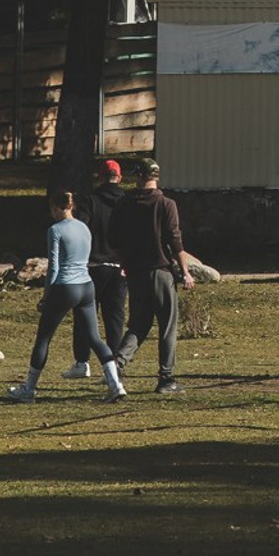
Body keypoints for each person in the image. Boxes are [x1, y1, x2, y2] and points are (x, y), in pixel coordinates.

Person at [7, 191, 128, 401]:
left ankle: (29, 389)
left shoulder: (55, 230)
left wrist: (47, 295)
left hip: (66, 286)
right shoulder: (83, 227)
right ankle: (115, 384)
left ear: (56, 208)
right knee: (95, 337)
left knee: (44, 337)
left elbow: (54, 266)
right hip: (86, 285)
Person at [110, 153, 193, 396]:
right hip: (160, 271)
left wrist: (124, 261)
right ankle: (166, 378)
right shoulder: (166, 204)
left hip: (135, 272)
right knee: (167, 325)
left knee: (138, 324)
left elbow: (113, 238)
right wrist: (185, 271)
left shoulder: (123, 204)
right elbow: (175, 241)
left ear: (137, 176)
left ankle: (117, 364)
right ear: (156, 176)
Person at [67, 157, 129, 379]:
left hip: (92, 266)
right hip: (120, 267)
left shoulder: (90, 201)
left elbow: (80, 229)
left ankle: (82, 362)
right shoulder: (127, 202)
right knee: (115, 319)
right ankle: (114, 365)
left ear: (100, 178)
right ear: (119, 178)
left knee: (85, 316)